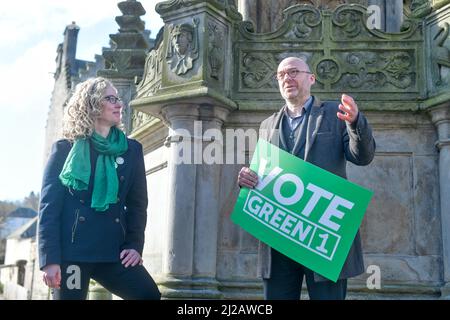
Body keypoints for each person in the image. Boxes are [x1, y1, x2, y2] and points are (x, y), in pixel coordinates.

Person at [237, 57, 376, 300]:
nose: (286, 78)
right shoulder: (267, 125)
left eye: (293, 72)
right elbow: (263, 176)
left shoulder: (335, 113)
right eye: (281, 75)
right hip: (278, 238)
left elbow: (362, 157)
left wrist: (355, 123)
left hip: (322, 236)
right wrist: (247, 179)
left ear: (311, 78)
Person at [38, 77, 161, 300]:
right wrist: (50, 260)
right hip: (73, 255)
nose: (119, 103)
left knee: (148, 295)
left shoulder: (131, 150)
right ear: (92, 104)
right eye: (111, 98)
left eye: (119, 98)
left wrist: (134, 245)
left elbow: (137, 205)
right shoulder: (66, 149)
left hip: (114, 253)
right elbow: (49, 208)